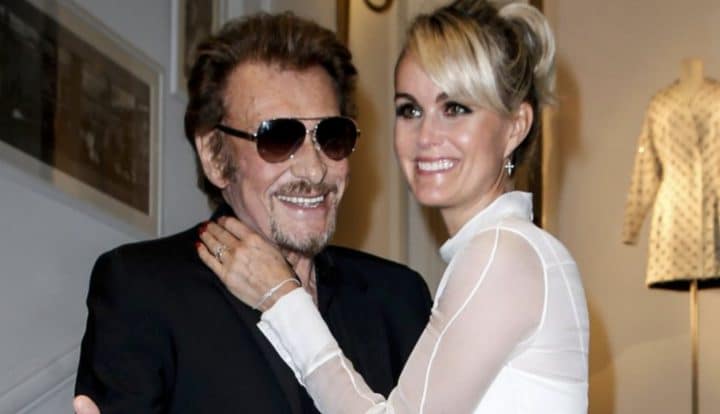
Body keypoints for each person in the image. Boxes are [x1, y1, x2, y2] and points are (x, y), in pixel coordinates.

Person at [193, 0, 589, 412]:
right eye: (410, 110)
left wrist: (283, 298)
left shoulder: (502, 255)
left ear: (516, 127)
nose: (426, 135)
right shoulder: (503, 253)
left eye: (455, 108)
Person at [73, 11, 432, 414]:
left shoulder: (399, 299)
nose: (314, 170)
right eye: (278, 137)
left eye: (332, 136)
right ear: (214, 156)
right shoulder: (142, 288)